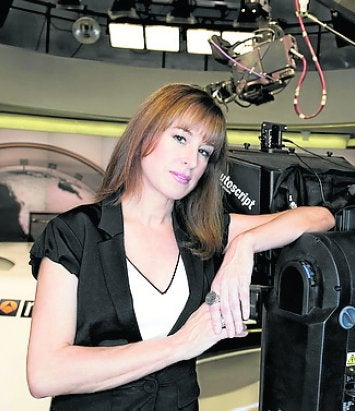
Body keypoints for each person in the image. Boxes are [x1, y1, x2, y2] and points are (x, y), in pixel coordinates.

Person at [26, 83, 335, 410]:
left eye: (204, 151)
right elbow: (45, 374)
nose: (191, 161)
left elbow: (321, 217)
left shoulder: (201, 233)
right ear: (145, 135)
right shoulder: (75, 234)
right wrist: (180, 345)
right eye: (180, 138)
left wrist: (244, 245)